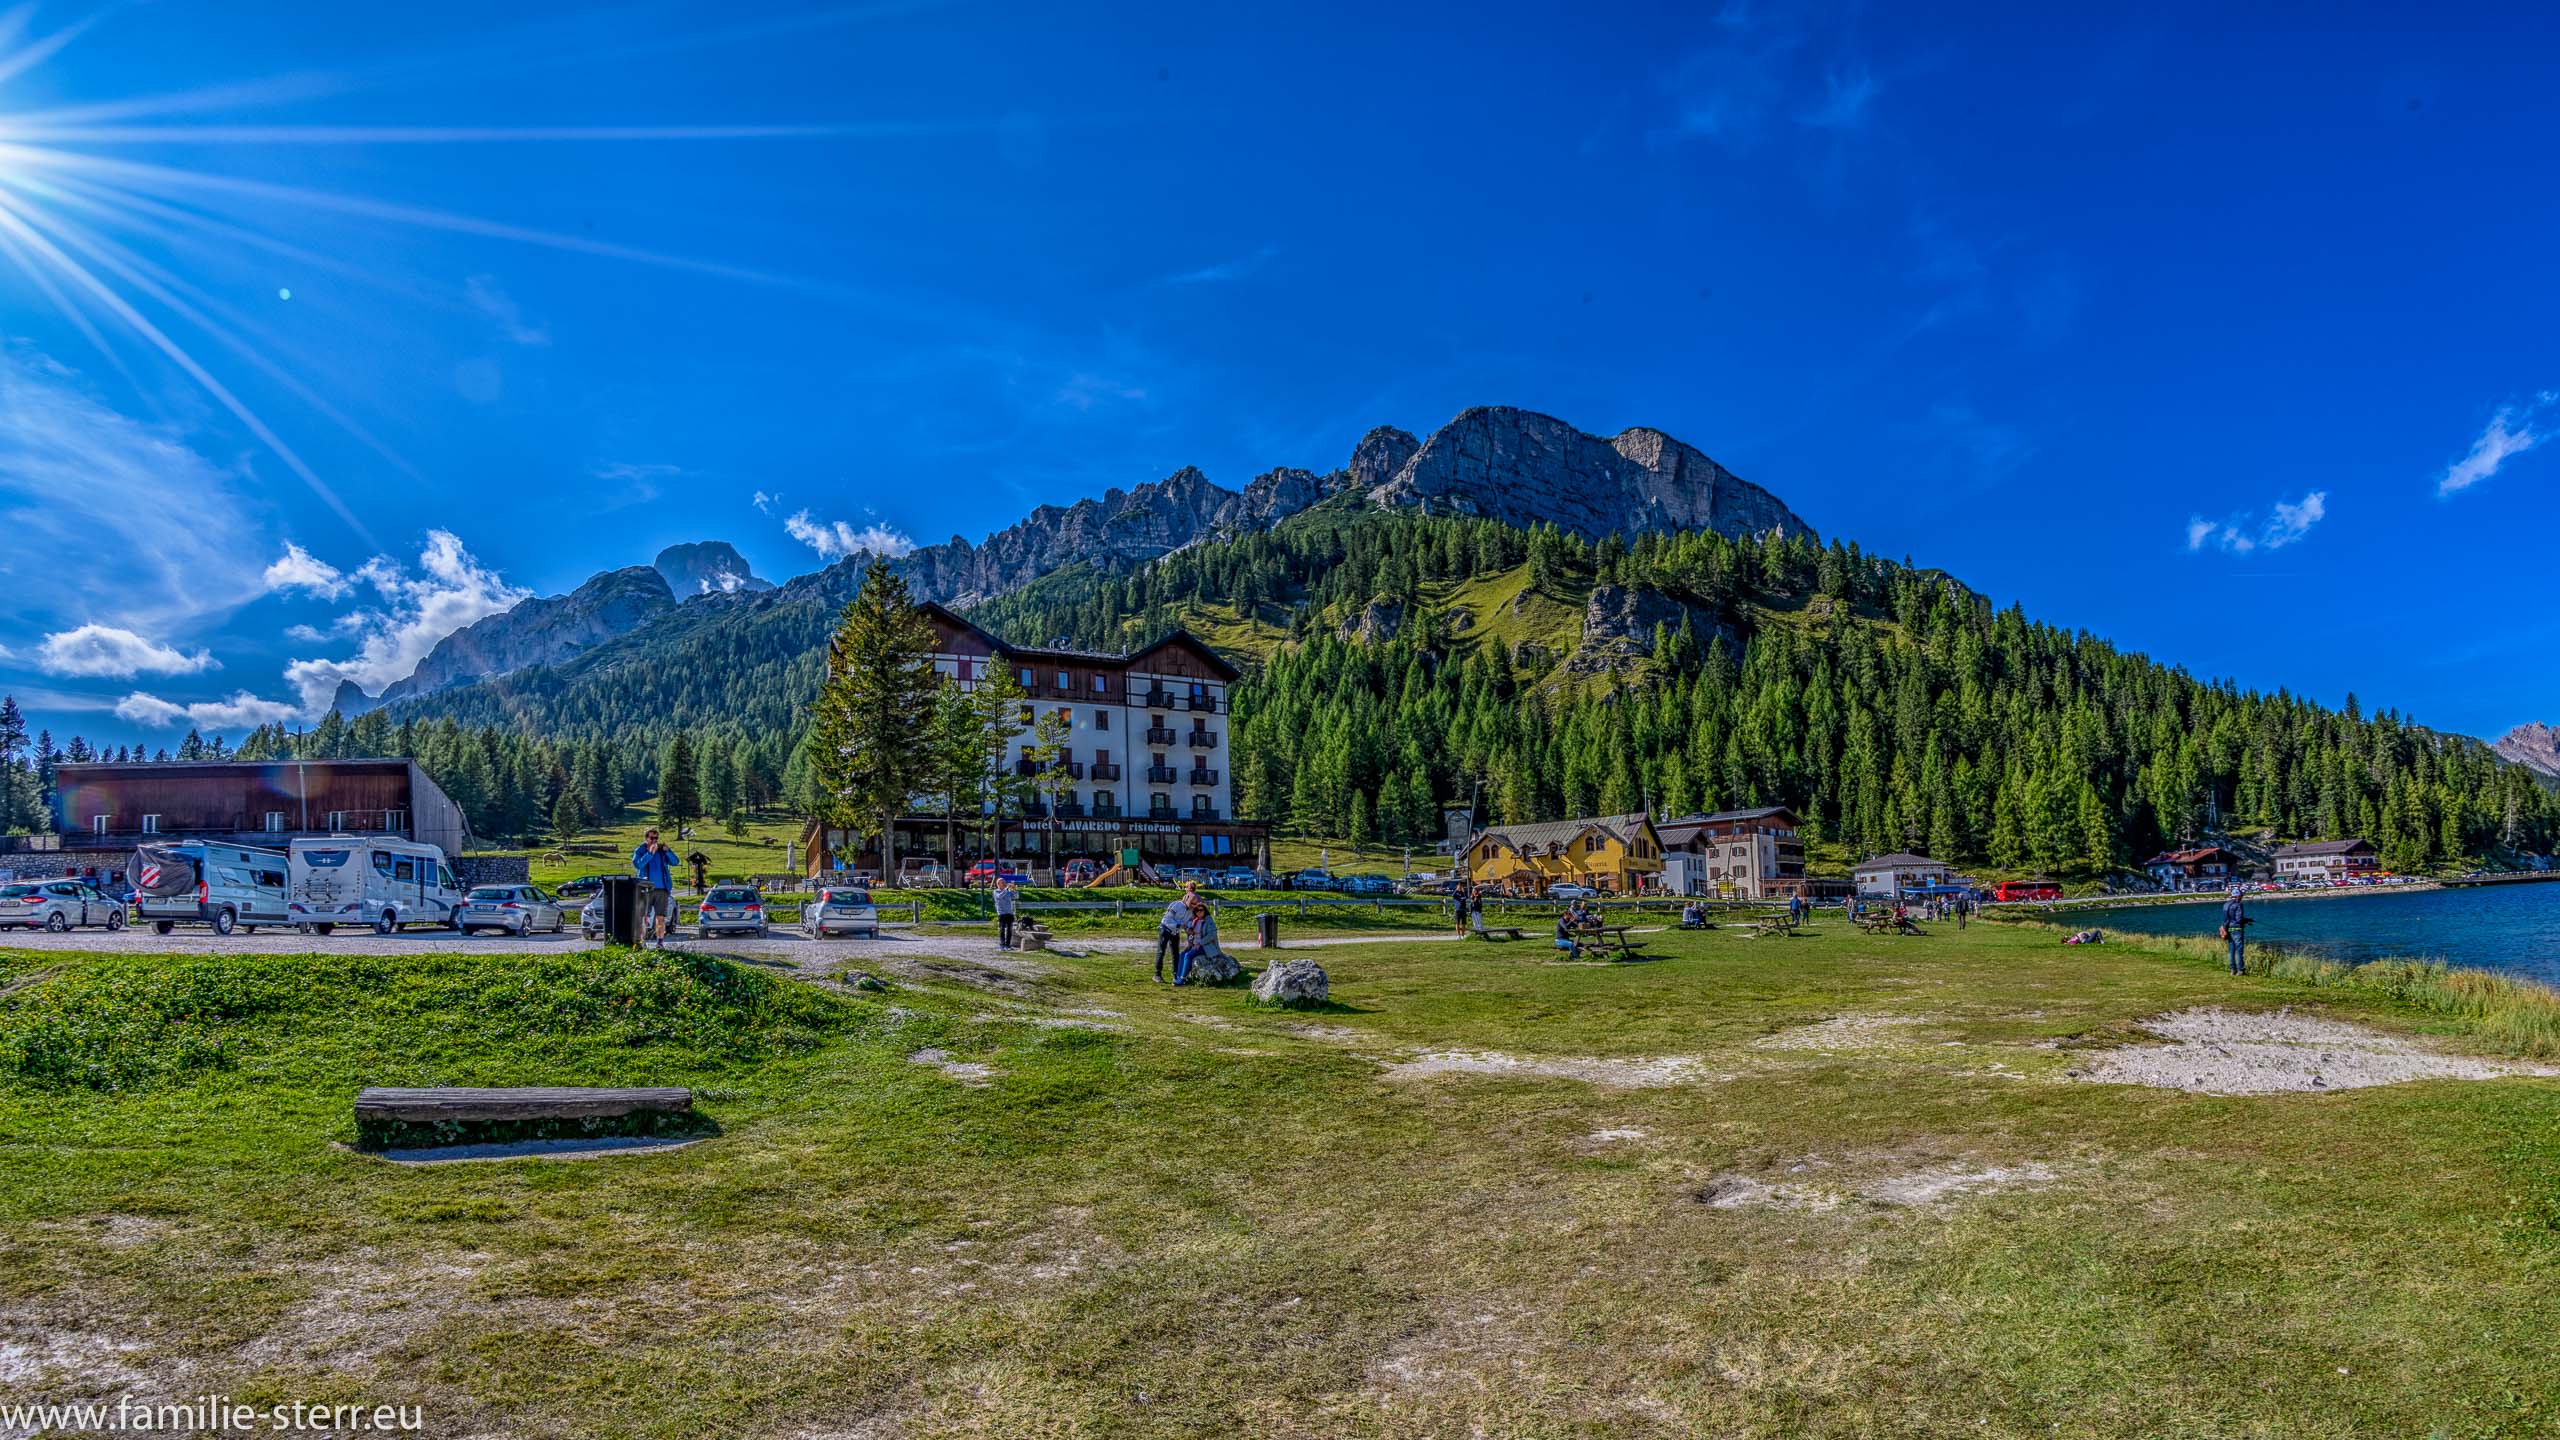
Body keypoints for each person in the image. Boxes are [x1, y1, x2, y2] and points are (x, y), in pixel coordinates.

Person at [631, 828, 678, 945]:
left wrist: (668, 851)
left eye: (656, 838)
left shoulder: (662, 851)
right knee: (643, 917)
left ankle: (660, 942)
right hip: (645, 889)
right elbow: (638, 864)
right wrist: (649, 854)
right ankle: (642, 942)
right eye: (652, 838)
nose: (654, 840)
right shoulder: (640, 851)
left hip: (662, 889)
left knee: (660, 917)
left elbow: (675, 862)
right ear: (646, 838)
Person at [1155, 882, 1197, 983]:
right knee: (1161, 951)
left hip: (1175, 932)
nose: (1193, 906)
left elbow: (1188, 923)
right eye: (1192, 903)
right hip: (1165, 929)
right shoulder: (1177, 905)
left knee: (1175, 954)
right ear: (1187, 899)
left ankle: (1176, 975)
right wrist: (1180, 925)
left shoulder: (1190, 911)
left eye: (1195, 904)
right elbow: (1167, 920)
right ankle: (1157, 974)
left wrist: (1190, 930)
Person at [2221, 886, 2251, 975]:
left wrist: (2245, 920)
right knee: (2239, 951)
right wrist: (2247, 920)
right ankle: (2240, 970)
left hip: (2229, 929)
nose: (2242, 897)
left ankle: (2232, 970)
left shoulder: (2225, 904)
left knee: (2231, 951)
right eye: (2241, 896)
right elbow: (2239, 919)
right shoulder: (2238, 905)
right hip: (2237, 929)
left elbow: (2227, 919)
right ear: (2238, 896)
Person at [992, 875, 1018, 949]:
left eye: (1004, 882)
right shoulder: (996, 891)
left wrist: (1014, 889)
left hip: (1010, 912)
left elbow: (1016, 896)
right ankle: (1002, 944)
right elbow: (999, 897)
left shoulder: (1008, 891)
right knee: (1002, 929)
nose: (1004, 883)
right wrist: (1006, 889)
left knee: (1010, 930)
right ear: (998, 884)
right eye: (1002, 882)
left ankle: (1008, 944)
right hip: (1002, 913)